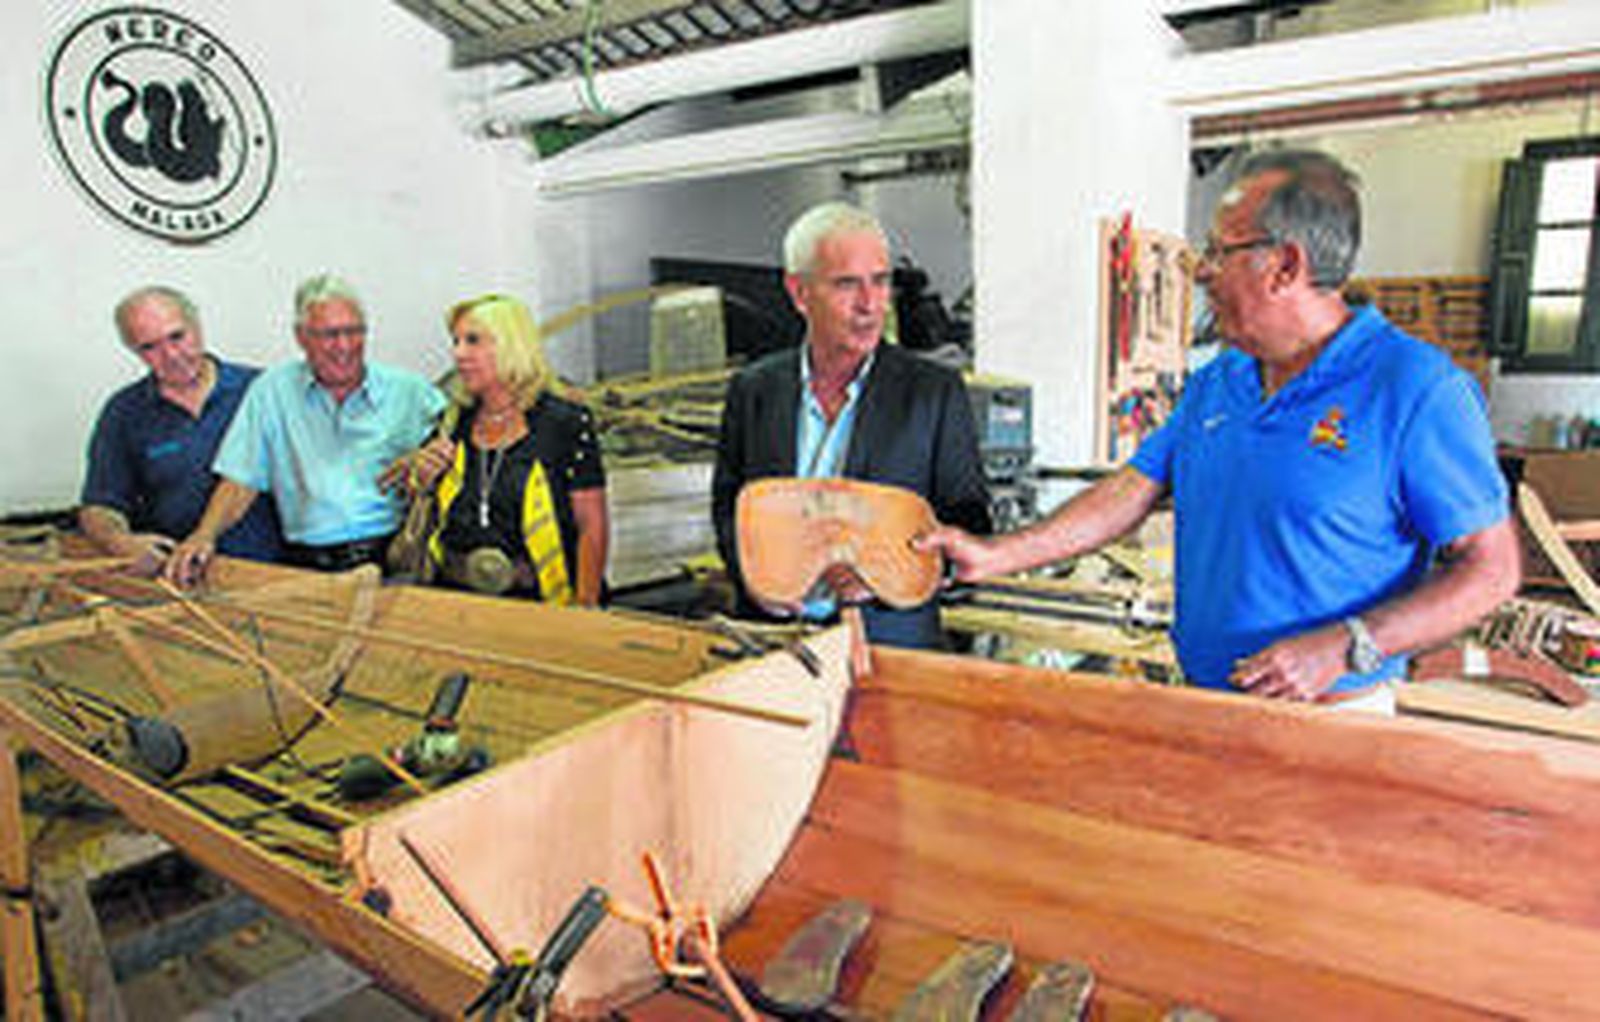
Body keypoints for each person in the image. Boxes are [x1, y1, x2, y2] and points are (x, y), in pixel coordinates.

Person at [922, 149, 1520, 711]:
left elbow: (1491, 570)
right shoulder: (1219, 379)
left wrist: (1346, 644)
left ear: (1286, 265)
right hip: (1204, 699)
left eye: (1219, 251)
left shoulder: (1415, 389)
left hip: (1332, 716)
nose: (1203, 271)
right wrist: (995, 555)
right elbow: (1131, 489)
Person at [712, 201, 991, 649]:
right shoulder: (754, 391)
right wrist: (759, 584)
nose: (869, 305)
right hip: (780, 646)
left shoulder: (933, 393)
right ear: (799, 293)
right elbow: (731, 506)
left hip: (891, 647)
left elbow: (968, 521)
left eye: (880, 282)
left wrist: (887, 580)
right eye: (847, 285)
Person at [166, 274, 446, 583]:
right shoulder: (272, 390)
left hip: (392, 563)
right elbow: (240, 481)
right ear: (301, 337)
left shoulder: (410, 392)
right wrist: (204, 535)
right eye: (329, 335)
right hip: (306, 567)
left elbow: (460, 455)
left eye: (354, 332)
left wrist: (430, 460)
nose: (344, 346)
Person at [80, 286, 281, 574]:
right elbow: (100, 504)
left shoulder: (264, 390)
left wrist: (204, 536)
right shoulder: (123, 412)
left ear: (197, 325)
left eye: (177, 336)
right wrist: (118, 541)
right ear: (132, 350)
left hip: (277, 575)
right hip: (180, 579)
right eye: (150, 347)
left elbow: (246, 480)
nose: (171, 355)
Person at [426, 294, 608, 605]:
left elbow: (592, 525)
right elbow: (431, 515)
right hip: (458, 602)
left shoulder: (564, 423)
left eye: (473, 341)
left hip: (540, 605)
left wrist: (585, 608)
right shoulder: (452, 423)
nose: (458, 354)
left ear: (511, 345)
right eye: (455, 342)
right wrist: (421, 477)